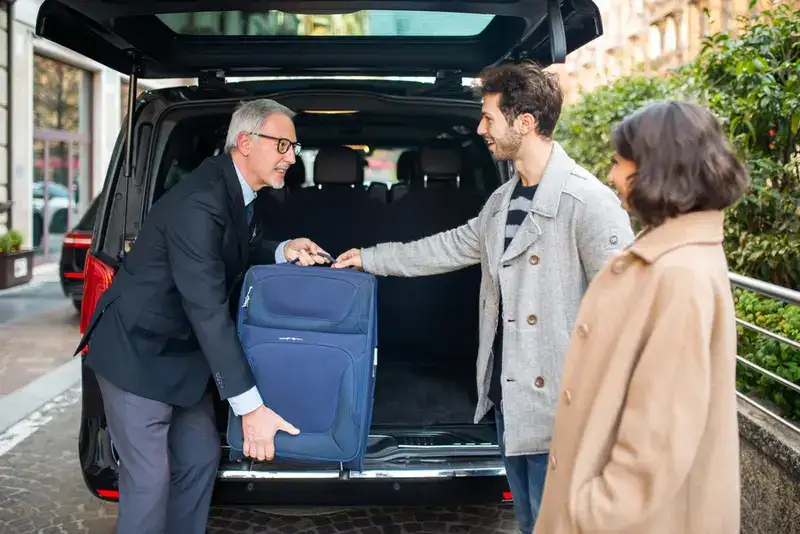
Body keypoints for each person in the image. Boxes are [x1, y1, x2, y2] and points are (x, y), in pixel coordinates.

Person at [334, 61, 635, 533]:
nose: (481, 128)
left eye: (489, 117)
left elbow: (627, 315)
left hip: (565, 414)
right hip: (508, 403)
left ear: (525, 122)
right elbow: (448, 246)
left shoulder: (589, 204)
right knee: (530, 521)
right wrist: (371, 257)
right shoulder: (502, 201)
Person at [76, 99, 331, 534]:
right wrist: (250, 409)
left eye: (295, 146)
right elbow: (207, 308)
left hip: (183, 357)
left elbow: (224, 251)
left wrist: (280, 249)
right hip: (137, 354)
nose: (293, 157)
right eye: (284, 145)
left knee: (198, 459)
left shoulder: (234, 188)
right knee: (150, 481)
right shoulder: (200, 201)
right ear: (246, 142)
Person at [533, 101, 749, 534]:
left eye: (618, 163)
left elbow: (656, 445)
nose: (612, 176)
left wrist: (585, 515)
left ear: (655, 170)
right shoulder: (678, 258)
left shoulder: (678, 275)